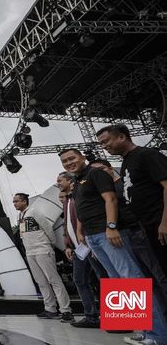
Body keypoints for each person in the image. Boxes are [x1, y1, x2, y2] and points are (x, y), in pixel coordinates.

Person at [59, 148, 167, 345]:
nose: (68, 163)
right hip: (93, 237)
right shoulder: (78, 181)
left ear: (82, 157)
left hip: (107, 234)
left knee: (133, 282)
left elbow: (110, 199)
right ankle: (144, 330)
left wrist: (111, 226)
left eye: (72, 158)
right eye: (65, 161)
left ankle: (158, 335)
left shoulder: (96, 173)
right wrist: (82, 232)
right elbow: (84, 207)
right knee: (119, 285)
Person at [97, 125, 167, 276]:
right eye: (101, 144)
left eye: (106, 141)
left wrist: (164, 222)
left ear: (122, 137)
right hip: (147, 226)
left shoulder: (146, 155)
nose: (104, 146)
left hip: (160, 221)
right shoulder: (126, 163)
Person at [13, 192, 73, 322]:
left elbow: (47, 228)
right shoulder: (20, 216)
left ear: (24, 201)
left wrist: (49, 243)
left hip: (42, 249)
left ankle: (66, 310)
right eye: (14, 202)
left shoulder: (34, 211)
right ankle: (50, 308)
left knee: (53, 280)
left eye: (17, 201)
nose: (15, 204)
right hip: (30, 251)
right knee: (41, 281)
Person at [57, 171, 104, 329]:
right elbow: (68, 226)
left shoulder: (79, 197)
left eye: (60, 180)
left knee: (104, 278)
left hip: (91, 243)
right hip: (78, 249)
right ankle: (91, 316)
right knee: (80, 280)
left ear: (70, 181)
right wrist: (68, 245)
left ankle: (117, 317)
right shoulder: (67, 201)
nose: (58, 183)